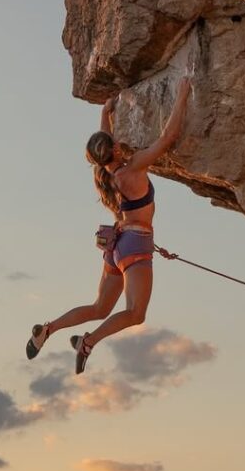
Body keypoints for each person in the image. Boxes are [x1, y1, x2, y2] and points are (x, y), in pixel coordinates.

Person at [26, 76, 192, 374]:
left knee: (99, 307)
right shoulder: (134, 168)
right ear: (115, 149)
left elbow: (104, 141)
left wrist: (106, 111)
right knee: (135, 313)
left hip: (118, 246)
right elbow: (167, 138)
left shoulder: (108, 175)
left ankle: (48, 329)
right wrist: (182, 94)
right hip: (134, 245)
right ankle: (88, 342)